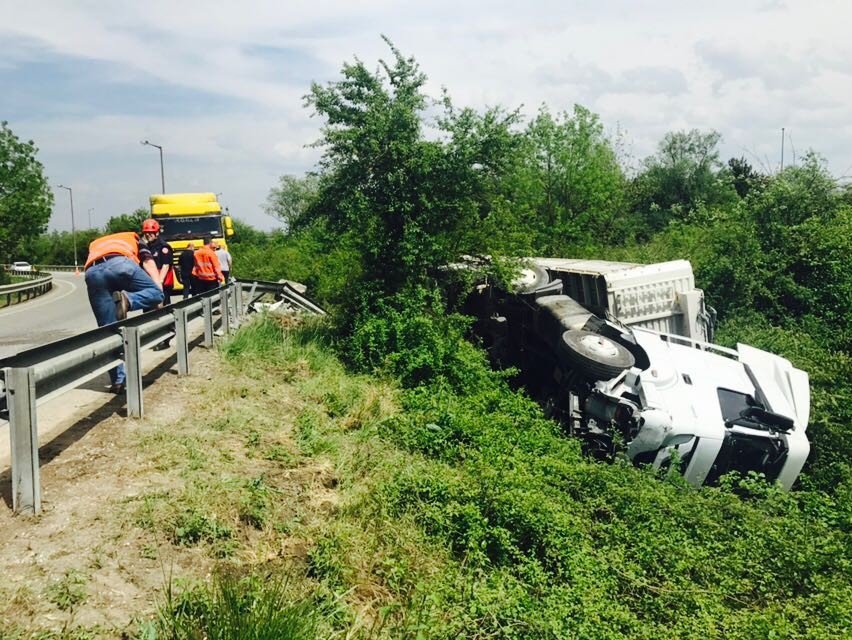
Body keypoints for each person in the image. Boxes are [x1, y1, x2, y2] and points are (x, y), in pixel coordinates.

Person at [83, 231, 163, 393]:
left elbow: (98, 264)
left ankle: (118, 382)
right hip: (120, 263)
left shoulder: (95, 243)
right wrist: (156, 290)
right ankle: (129, 300)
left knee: (108, 330)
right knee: (156, 293)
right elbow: (148, 262)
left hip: (92, 273)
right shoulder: (133, 237)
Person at [141, 218, 174, 350]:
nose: (148, 235)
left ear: (156, 233)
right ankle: (152, 337)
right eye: (146, 232)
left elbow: (165, 266)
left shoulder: (163, 247)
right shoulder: (145, 246)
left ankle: (166, 338)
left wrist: (158, 282)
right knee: (148, 313)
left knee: (162, 312)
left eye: (150, 232)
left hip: (161, 284)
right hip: (148, 284)